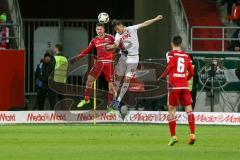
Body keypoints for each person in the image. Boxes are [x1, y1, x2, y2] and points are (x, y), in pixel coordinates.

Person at [106, 15, 163, 110]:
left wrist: (155, 19)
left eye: (117, 28)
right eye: (115, 30)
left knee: (127, 79)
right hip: (123, 57)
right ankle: (114, 97)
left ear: (121, 25)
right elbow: (116, 44)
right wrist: (111, 47)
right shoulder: (117, 35)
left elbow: (145, 24)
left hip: (134, 58)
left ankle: (118, 100)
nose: (117, 31)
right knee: (118, 79)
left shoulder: (131, 29)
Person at [159, 35, 195, 146]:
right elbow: (192, 73)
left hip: (173, 86)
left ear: (172, 43)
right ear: (181, 44)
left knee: (171, 112)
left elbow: (169, 67)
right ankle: (192, 134)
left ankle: (173, 136)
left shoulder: (170, 54)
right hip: (184, 86)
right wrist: (184, 78)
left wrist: (161, 77)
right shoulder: (186, 56)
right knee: (189, 110)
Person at [71, 23, 115, 108]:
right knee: (89, 81)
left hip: (109, 63)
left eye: (101, 29)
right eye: (97, 29)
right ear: (96, 30)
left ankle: (109, 106)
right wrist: (76, 58)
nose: (99, 31)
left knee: (111, 86)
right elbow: (86, 51)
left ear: (104, 29)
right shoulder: (94, 40)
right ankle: (86, 100)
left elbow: (118, 44)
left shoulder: (110, 37)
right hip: (99, 63)